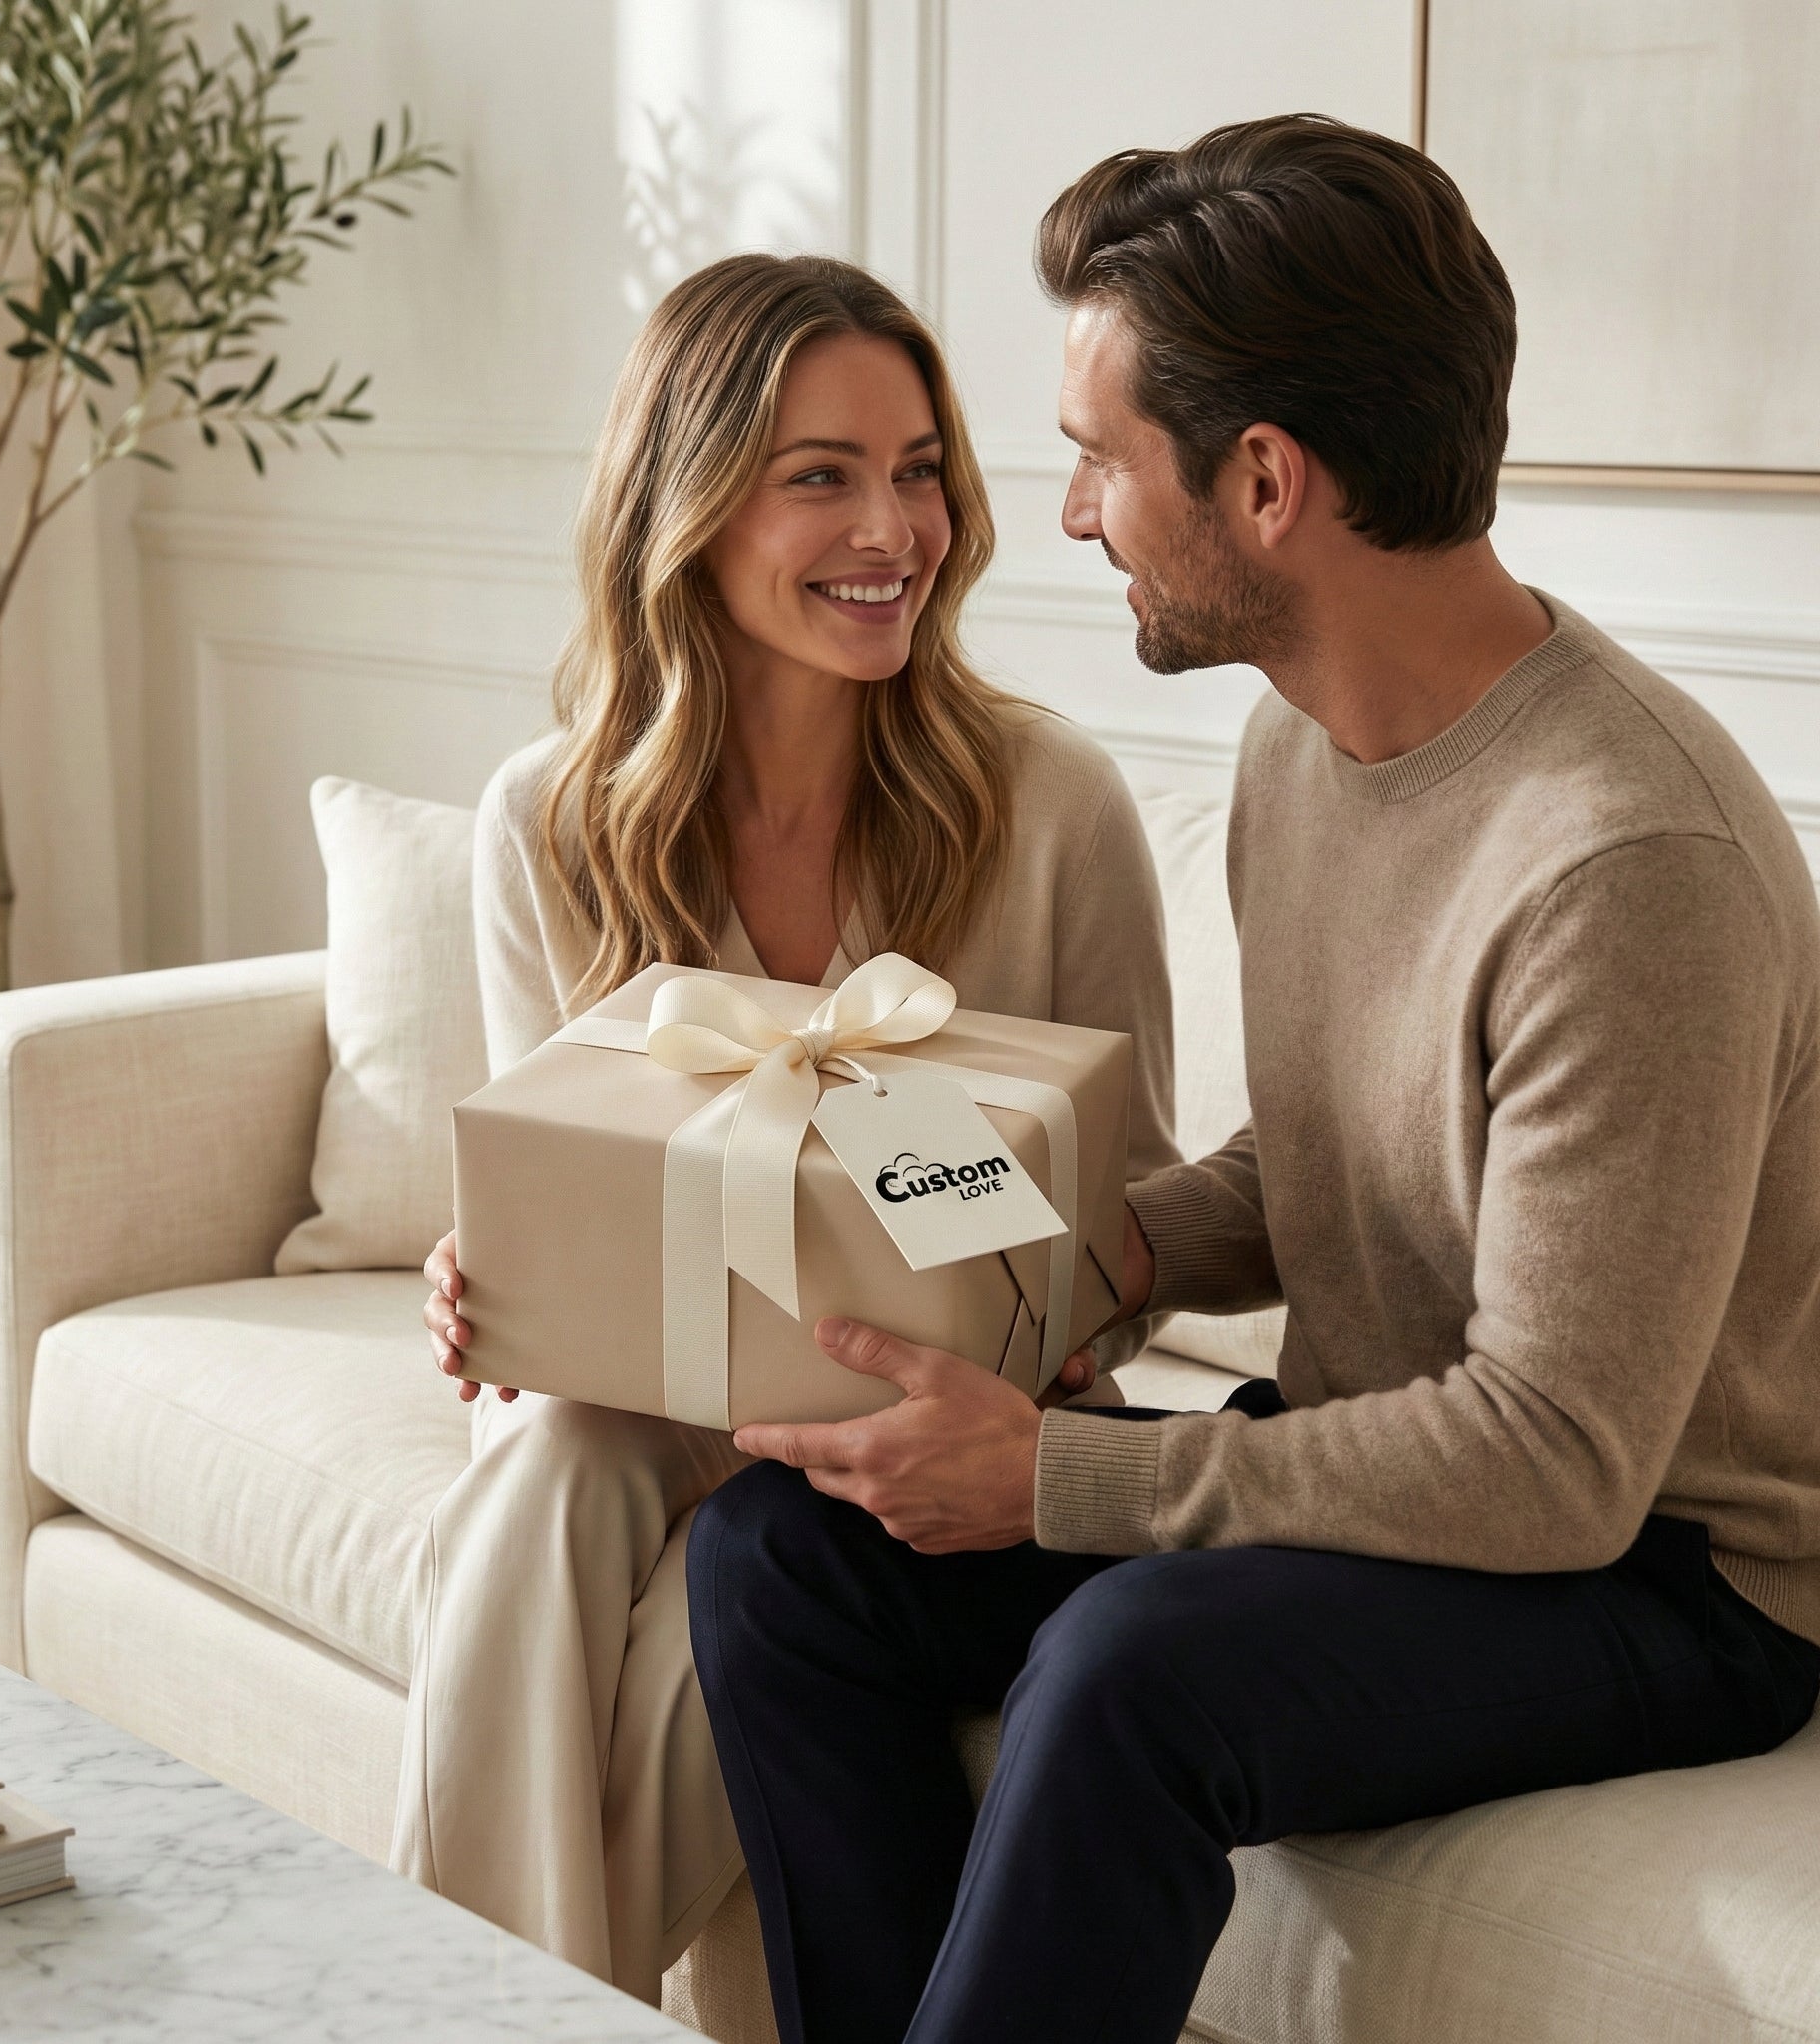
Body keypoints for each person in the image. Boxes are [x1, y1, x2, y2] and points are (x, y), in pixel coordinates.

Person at [686, 115, 1820, 2044]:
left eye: (1096, 460)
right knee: (790, 1557)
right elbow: (1333, 1167)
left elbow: (1556, 1460)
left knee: (1132, 1666)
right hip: (1423, 1474)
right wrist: (1075, 1259)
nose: (1059, 515)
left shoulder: (1632, 865)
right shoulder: (1304, 749)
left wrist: (1054, 1473)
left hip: (1667, 1575)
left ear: (1267, 483)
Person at [393, 251, 1180, 2004]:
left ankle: (447, 2007)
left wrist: (1024, 1318)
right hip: (640, 1408)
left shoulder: (1051, 806)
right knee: (540, 1469)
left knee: (715, 1620)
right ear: (684, 502)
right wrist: (496, 1281)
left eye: (918, 470)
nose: (892, 524)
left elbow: (1133, 1241)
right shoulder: (549, 823)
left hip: (938, 1422)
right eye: (820, 473)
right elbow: (565, 1206)